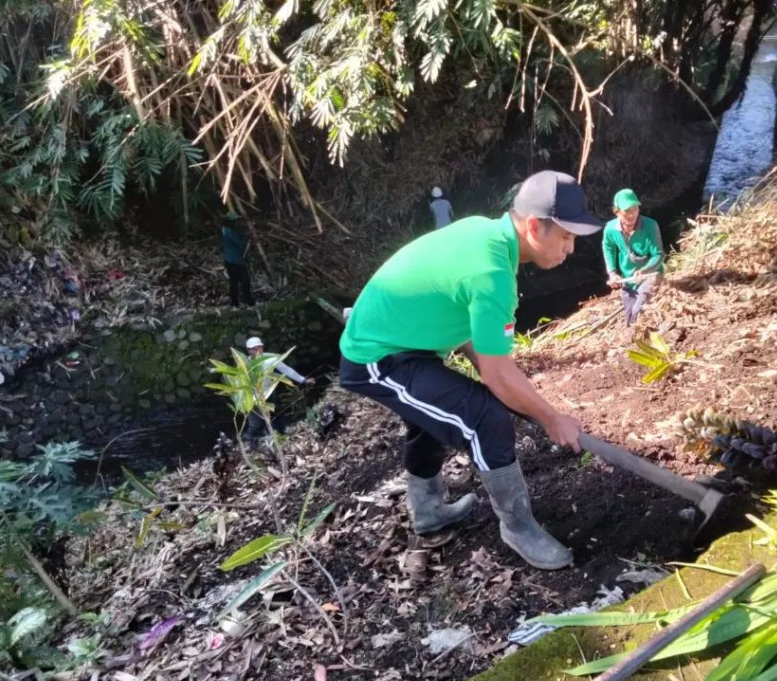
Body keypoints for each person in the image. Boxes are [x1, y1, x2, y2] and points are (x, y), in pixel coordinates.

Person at [339, 171, 602, 570]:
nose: (571, 248)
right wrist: (551, 418)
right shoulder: (492, 273)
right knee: (486, 418)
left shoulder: (486, 234)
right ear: (534, 226)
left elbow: (473, 334)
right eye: (566, 237)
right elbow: (498, 375)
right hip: (377, 356)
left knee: (433, 415)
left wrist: (510, 387)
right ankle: (518, 527)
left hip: (411, 340)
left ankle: (427, 513)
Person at [602, 189, 665, 326]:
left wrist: (645, 271)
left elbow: (659, 255)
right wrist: (612, 273)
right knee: (629, 317)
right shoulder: (611, 229)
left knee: (638, 311)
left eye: (635, 209)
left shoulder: (650, 226)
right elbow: (608, 248)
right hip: (628, 278)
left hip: (650, 275)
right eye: (627, 211)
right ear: (617, 211)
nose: (632, 214)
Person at [243, 336, 315, 448]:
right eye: (255, 349)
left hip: (269, 393)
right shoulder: (244, 363)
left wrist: (303, 379)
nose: (258, 351)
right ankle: (251, 446)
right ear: (249, 350)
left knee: (276, 416)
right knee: (255, 424)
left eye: (260, 348)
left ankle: (281, 439)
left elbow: (286, 370)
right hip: (253, 398)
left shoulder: (269, 358)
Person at [221, 213, 255, 307]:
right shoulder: (229, 232)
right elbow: (239, 243)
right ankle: (248, 301)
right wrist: (248, 238)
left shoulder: (224, 230)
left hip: (229, 259)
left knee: (234, 281)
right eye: (234, 221)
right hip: (236, 260)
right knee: (245, 281)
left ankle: (235, 303)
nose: (236, 223)